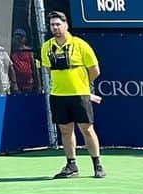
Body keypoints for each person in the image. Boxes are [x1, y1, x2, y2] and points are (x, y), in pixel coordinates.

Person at [40, 11, 104, 178]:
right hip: (58, 96)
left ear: (66, 25)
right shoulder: (46, 47)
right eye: (52, 25)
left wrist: (83, 87)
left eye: (58, 24)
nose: (55, 28)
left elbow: (95, 70)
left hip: (80, 95)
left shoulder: (80, 45)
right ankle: (71, 165)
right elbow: (48, 69)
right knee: (66, 131)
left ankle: (97, 165)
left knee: (87, 129)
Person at [9, 29, 39, 94]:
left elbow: (35, 69)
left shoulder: (29, 52)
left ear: (25, 39)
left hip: (29, 84)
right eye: (16, 38)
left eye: (21, 37)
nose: (18, 40)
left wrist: (38, 85)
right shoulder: (11, 51)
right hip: (17, 85)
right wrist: (14, 84)